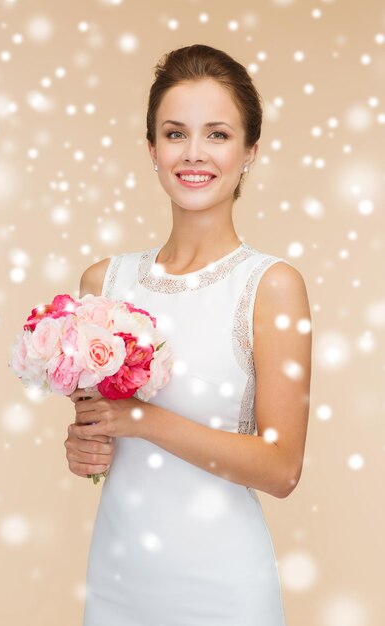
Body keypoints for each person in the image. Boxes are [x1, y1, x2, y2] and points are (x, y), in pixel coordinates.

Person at [65, 43, 312, 625]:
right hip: (118, 581)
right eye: (175, 134)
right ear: (151, 148)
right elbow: (96, 433)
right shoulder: (104, 281)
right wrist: (84, 447)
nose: (193, 154)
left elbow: (283, 470)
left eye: (218, 135)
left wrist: (142, 421)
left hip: (222, 588)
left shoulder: (271, 285)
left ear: (251, 150)